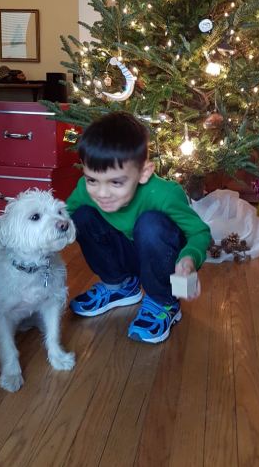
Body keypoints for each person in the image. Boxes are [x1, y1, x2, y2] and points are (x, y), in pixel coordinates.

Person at [66, 111, 211, 344]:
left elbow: (199, 232)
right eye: (92, 179)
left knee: (150, 224)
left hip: (161, 258)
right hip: (129, 254)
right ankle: (119, 285)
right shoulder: (85, 190)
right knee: (81, 216)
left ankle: (164, 301)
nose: (102, 193)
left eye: (116, 182)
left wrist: (188, 259)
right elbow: (63, 217)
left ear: (144, 173)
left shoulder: (164, 194)